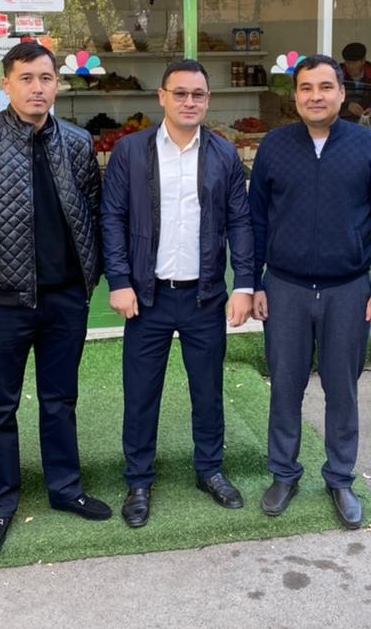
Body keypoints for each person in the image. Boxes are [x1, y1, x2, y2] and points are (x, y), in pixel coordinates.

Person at [0, 41, 110, 556]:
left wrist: (91, 278)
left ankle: (66, 489)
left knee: (61, 400)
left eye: (46, 78)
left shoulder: (77, 142)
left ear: (58, 84)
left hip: (65, 299)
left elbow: (95, 212)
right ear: (5, 84)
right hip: (2, 301)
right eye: (27, 78)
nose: (38, 88)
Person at [248, 54, 371, 530]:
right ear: (295, 95)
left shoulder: (368, 147)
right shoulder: (275, 146)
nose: (315, 96)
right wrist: (253, 282)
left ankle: (339, 478)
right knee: (285, 387)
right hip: (286, 289)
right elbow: (255, 221)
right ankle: (284, 474)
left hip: (348, 290)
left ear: (341, 93)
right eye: (306, 88)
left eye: (325, 87)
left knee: (342, 390)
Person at [101, 59, 255, 528]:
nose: (190, 102)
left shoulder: (224, 154)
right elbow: (112, 218)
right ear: (162, 97)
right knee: (141, 393)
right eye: (181, 93)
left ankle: (210, 470)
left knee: (208, 391)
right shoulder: (131, 151)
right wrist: (120, 281)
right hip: (147, 298)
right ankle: (138, 480)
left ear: (208, 100)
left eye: (198, 94)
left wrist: (244, 284)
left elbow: (240, 222)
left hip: (204, 297)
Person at [339, 42, 371, 123]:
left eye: (354, 63)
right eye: (347, 63)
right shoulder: (338, 73)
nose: (350, 66)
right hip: (341, 121)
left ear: (363, 61)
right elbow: (330, 97)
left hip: (367, 122)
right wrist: (347, 105)